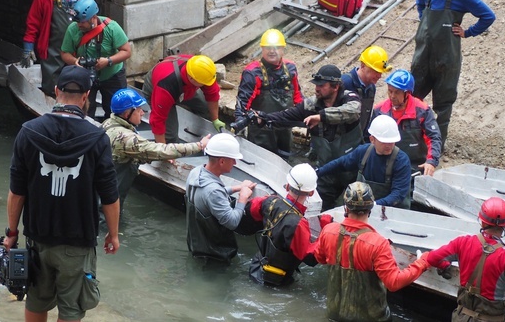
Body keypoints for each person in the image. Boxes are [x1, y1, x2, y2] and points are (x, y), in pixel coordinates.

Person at [4, 66, 120, 322]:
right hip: (77, 242)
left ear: (56, 91)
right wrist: (113, 234)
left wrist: (12, 233)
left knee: (36, 300)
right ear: (85, 96)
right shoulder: (97, 138)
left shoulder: (29, 131)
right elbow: (110, 196)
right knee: (72, 309)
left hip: (37, 238)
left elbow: (16, 192)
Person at [412, 0, 496, 150]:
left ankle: (435, 149)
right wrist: (424, 23)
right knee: (412, 99)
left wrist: (468, 32)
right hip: (423, 56)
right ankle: (411, 142)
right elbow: (420, 5)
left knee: (443, 106)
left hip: (447, 59)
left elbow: (488, 16)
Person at [314, 182, 431, 321]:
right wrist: (422, 262)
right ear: (370, 208)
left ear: (346, 207)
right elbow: (393, 283)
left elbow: (319, 258)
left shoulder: (328, 231)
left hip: (335, 315)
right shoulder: (377, 243)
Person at [257, 64, 362, 211]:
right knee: (323, 207)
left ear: (335, 87)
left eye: (322, 85)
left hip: (352, 170)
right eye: (316, 85)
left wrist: (322, 117)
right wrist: (264, 118)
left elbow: (354, 111)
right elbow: (286, 116)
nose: (316, 88)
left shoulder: (350, 98)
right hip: (326, 170)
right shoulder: (310, 105)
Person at [102, 88, 211, 210]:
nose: (143, 113)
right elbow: (160, 150)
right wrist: (199, 145)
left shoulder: (108, 123)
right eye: (139, 110)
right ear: (127, 114)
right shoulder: (126, 139)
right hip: (107, 206)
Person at [245, 163, 333, 286]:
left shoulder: (270, 201)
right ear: (311, 193)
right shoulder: (298, 224)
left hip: (256, 268)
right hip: (277, 280)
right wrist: (328, 231)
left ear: (287, 186)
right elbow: (311, 257)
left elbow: (252, 209)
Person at [21, 0, 87, 97]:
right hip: (52, 48)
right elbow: (33, 22)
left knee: (77, 79)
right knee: (51, 84)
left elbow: (88, 18)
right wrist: (28, 47)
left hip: (76, 45)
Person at [185, 133, 256, 263]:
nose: (235, 163)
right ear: (222, 161)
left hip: (197, 246)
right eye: (233, 159)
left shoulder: (196, 173)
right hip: (214, 256)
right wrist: (242, 198)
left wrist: (235, 188)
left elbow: (208, 198)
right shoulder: (213, 191)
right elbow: (232, 222)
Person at [315, 115, 412, 209]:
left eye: (392, 142)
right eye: (384, 142)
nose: (389, 145)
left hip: (392, 212)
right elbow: (341, 164)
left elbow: (398, 195)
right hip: (365, 209)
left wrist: (374, 205)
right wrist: (317, 173)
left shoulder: (401, 161)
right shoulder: (363, 152)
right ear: (372, 139)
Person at [235, 29, 303, 157]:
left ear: (283, 49)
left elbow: (297, 95)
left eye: (276, 47)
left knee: (284, 160)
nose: (272, 51)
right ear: (262, 49)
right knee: (260, 162)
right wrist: (240, 123)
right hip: (261, 131)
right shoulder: (252, 72)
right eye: (268, 47)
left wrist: (306, 113)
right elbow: (242, 102)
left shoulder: (291, 68)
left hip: (284, 127)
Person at [61, 0, 131, 120]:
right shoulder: (73, 29)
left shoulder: (112, 28)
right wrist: (74, 61)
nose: (79, 25)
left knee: (117, 112)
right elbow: (64, 53)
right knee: (85, 110)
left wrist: (108, 61)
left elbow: (126, 51)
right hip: (85, 74)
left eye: (83, 22)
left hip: (112, 75)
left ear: (93, 17)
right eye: (78, 22)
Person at [373, 69, 441, 177]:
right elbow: (371, 139)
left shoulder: (422, 110)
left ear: (407, 93)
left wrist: (431, 161)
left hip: (414, 166)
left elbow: (433, 137)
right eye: (390, 91)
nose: (392, 96)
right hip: (386, 163)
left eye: (397, 92)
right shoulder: (379, 110)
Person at [143, 54, 225, 144]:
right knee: (170, 136)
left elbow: (212, 94)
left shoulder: (203, 72)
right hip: (158, 89)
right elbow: (157, 120)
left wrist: (215, 119)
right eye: (203, 83)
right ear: (191, 78)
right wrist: (164, 152)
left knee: (206, 107)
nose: (207, 85)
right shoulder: (165, 86)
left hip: (185, 88)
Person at [341, 45, 392, 141]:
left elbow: (365, 118)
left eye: (381, 72)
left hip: (356, 141)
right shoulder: (345, 83)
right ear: (363, 66)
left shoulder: (371, 88)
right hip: (340, 143)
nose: (379, 76)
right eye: (376, 71)